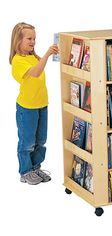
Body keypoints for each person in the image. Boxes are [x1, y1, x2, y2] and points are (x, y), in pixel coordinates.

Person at [9, 22, 59, 185]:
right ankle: (25, 171)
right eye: (29, 38)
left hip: (42, 104)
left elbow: (39, 67)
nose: (33, 42)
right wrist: (47, 54)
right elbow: (36, 73)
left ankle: (36, 167)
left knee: (41, 140)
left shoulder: (33, 57)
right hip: (27, 108)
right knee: (27, 141)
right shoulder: (18, 60)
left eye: (34, 39)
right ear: (18, 40)